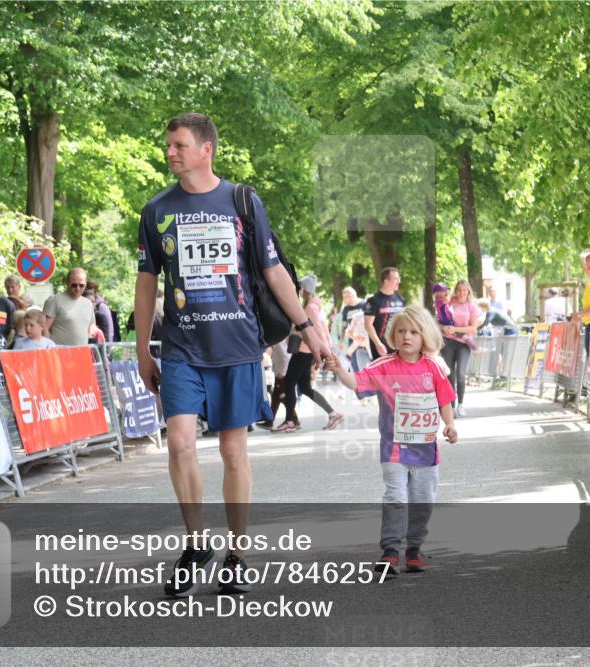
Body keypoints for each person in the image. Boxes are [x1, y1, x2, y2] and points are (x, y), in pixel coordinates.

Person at [134, 112, 329, 598]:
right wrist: (143, 349)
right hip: (181, 348)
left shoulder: (241, 201)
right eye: (169, 145)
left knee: (232, 451)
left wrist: (308, 328)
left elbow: (274, 270)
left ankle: (238, 554)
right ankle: (196, 544)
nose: (170, 152)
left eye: (179, 145)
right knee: (180, 443)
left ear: (206, 150)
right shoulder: (156, 209)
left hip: (239, 346)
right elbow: (146, 284)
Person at [325, 304, 458, 575]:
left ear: (425, 337)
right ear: (392, 335)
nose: (406, 337)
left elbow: (445, 399)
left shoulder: (433, 367)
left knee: (422, 501)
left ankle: (414, 550)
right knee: (396, 496)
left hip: (425, 452)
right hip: (394, 449)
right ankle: (390, 550)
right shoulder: (384, 366)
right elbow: (356, 382)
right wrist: (339, 370)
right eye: (400, 332)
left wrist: (450, 425)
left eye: (413, 332)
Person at [274, 275, 344, 433]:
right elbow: (322, 329)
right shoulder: (315, 307)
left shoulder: (310, 309)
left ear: (304, 290)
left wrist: (319, 349)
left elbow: (316, 331)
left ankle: (290, 421)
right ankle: (333, 413)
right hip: (307, 351)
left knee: (289, 383)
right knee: (305, 387)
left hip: (304, 351)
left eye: (300, 288)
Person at [440, 280, 481, 418]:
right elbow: (440, 319)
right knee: (449, 374)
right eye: (459, 290)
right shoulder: (450, 302)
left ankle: (461, 405)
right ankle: (451, 406)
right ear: (456, 291)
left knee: (461, 374)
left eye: (465, 290)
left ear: (468, 291)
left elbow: (473, 327)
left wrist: (455, 329)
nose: (462, 292)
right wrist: (444, 328)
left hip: (464, 343)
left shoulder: (472, 307)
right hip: (449, 342)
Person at [43, 267, 95, 346]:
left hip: (81, 352)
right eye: (74, 285)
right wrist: (50, 349)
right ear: (67, 282)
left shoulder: (88, 303)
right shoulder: (55, 300)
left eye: (81, 285)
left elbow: (90, 327)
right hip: (59, 352)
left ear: (86, 284)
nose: (77, 288)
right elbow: (44, 327)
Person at [364, 267, 405, 360]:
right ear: (386, 281)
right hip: (381, 348)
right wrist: (378, 344)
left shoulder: (401, 300)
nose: (399, 281)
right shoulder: (372, 301)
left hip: (399, 346)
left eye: (399, 278)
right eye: (396, 279)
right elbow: (368, 325)